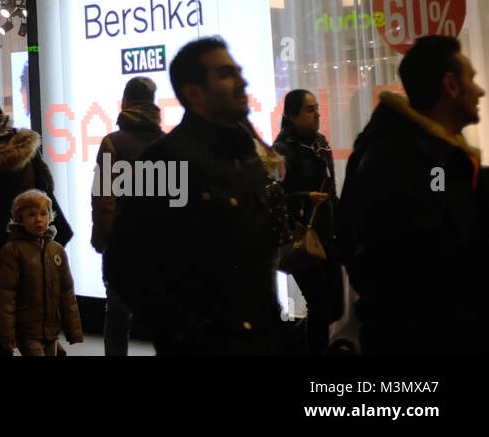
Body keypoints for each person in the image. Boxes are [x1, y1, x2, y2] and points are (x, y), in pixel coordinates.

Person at [105, 36, 283, 355]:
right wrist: (187, 335)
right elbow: (124, 266)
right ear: (194, 94)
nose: (242, 81)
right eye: (226, 74)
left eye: (238, 71)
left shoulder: (249, 158)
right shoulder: (164, 160)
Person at [339, 35, 485, 356]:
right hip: (423, 339)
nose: (480, 91)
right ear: (450, 85)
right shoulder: (417, 160)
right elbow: (437, 239)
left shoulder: (424, 155)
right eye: (471, 80)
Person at [0, 101, 72, 354]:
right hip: (33, 232)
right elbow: (46, 183)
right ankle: (41, 341)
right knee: (33, 288)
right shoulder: (27, 145)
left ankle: (4, 342)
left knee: (0, 293)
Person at [90, 77, 163, 356]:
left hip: (123, 243)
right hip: (159, 244)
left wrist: (104, 240)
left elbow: (103, 198)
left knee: (118, 315)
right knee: (163, 315)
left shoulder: (113, 143)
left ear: (125, 103)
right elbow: (178, 199)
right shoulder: (168, 141)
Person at [272, 89, 344, 355]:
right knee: (320, 304)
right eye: (309, 109)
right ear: (292, 115)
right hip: (302, 237)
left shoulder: (320, 143)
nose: (317, 114)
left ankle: (297, 344)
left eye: (317, 108)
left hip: (328, 234)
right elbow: (272, 194)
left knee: (335, 307)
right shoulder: (281, 149)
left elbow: (332, 193)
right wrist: (303, 197)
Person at [0, 188, 83, 356]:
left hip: (50, 329)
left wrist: (73, 329)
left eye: (43, 214)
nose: (39, 220)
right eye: (31, 215)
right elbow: (5, 297)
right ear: (20, 218)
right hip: (26, 329)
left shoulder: (56, 251)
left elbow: (67, 293)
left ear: (50, 217)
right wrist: (6, 333)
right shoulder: (12, 251)